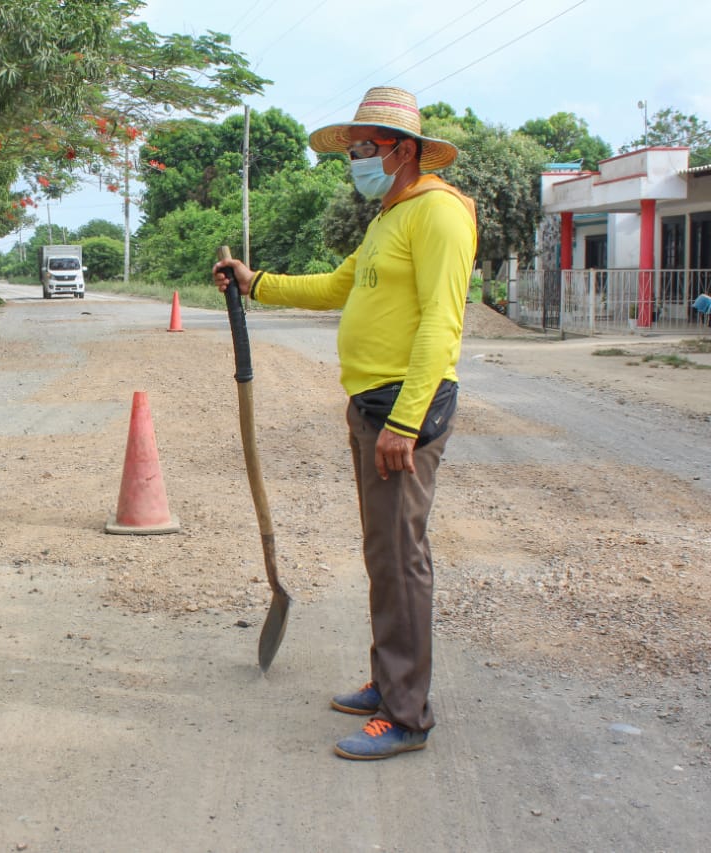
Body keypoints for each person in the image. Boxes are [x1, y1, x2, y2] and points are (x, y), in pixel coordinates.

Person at [214, 86, 477, 760]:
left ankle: (407, 714)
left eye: (367, 147)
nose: (357, 158)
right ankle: (390, 681)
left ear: (405, 151)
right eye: (354, 148)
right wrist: (256, 282)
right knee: (382, 555)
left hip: (401, 410)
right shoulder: (389, 217)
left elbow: (441, 327)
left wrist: (406, 422)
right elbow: (336, 286)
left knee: (400, 559)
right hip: (371, 406)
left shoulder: (440, 216)